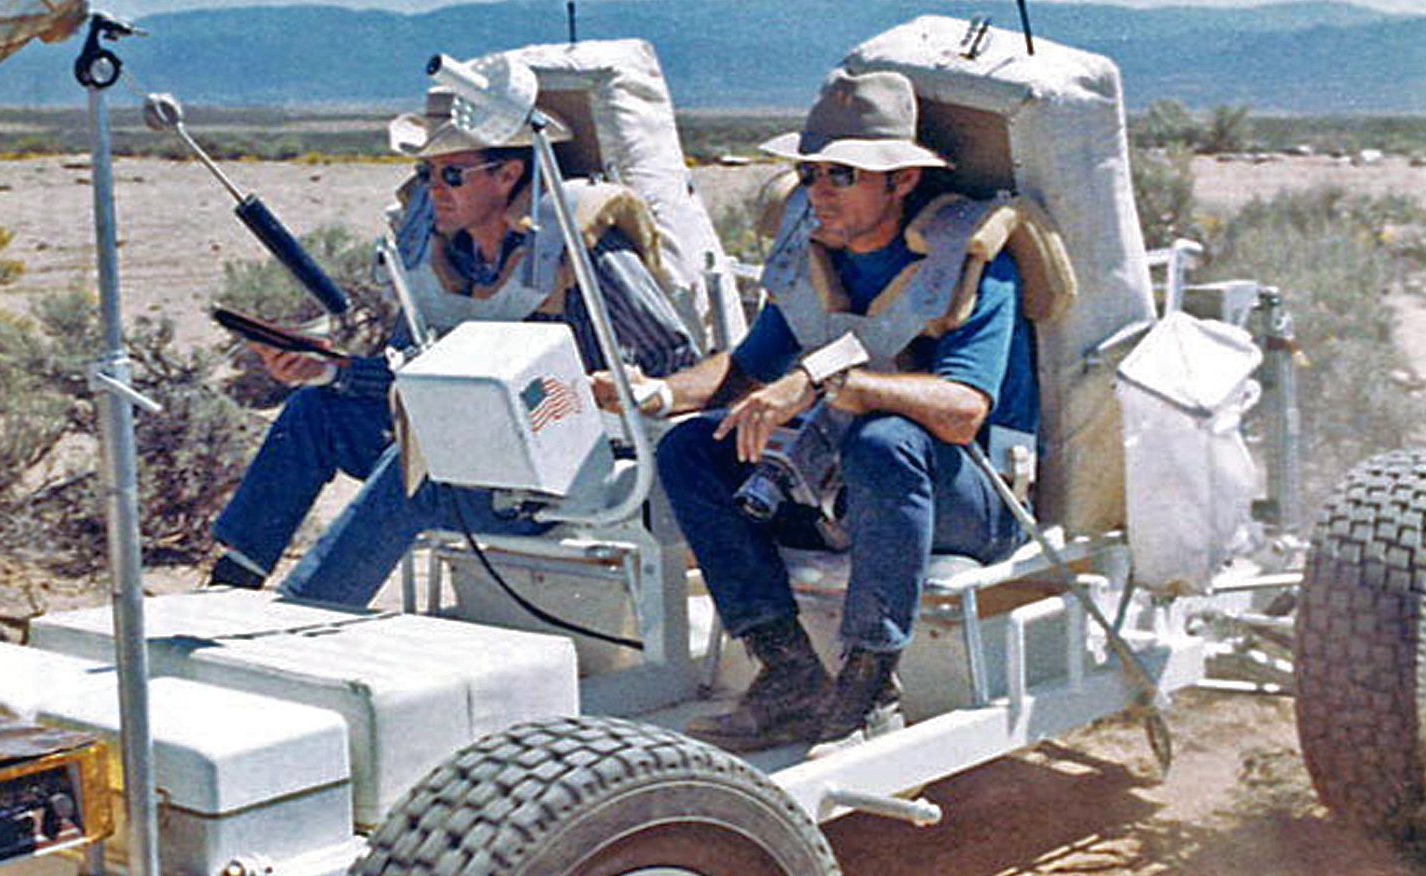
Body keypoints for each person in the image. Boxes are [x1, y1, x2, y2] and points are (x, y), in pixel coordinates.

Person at [596, 68, 1038, 751]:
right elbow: (743, 371)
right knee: (688, 450)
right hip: (849, 485)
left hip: (976, 499)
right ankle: (789, 671)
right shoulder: (815, 261)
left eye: (843, 174)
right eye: (811, 174)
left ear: (902, 180)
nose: (819, 191)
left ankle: (867, 681)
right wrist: (654, 392)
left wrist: (829, 382)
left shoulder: (971, 264)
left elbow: (962, 412)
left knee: (884, 440)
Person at [210, 80, 699, 608]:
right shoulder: (437, 258)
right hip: (467, 452)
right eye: (426, 174)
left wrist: (628, 392)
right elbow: (412, 376)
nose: (434, 189)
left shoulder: (586, 254)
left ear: (509, 174)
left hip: (568, 471)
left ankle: (307, 609)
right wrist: (328, 371)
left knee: (425, 464)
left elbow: (676, 361)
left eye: (451, 174)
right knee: (315, 411)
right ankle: (232, 583)